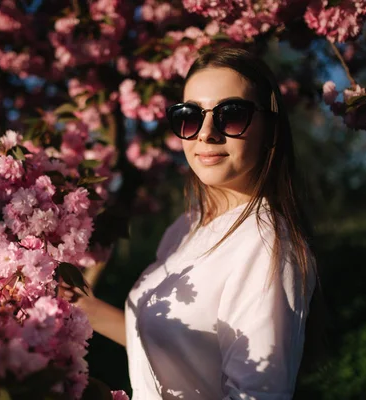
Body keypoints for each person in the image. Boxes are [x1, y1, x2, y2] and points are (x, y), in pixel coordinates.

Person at [59, 47, 320, 399]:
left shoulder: (266, 243)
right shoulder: (187, 226)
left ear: (270, 129)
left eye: (231, 114)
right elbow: (177, 345)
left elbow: (258, 394)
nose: (206, 133)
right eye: (190, 116)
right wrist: (82, 306)